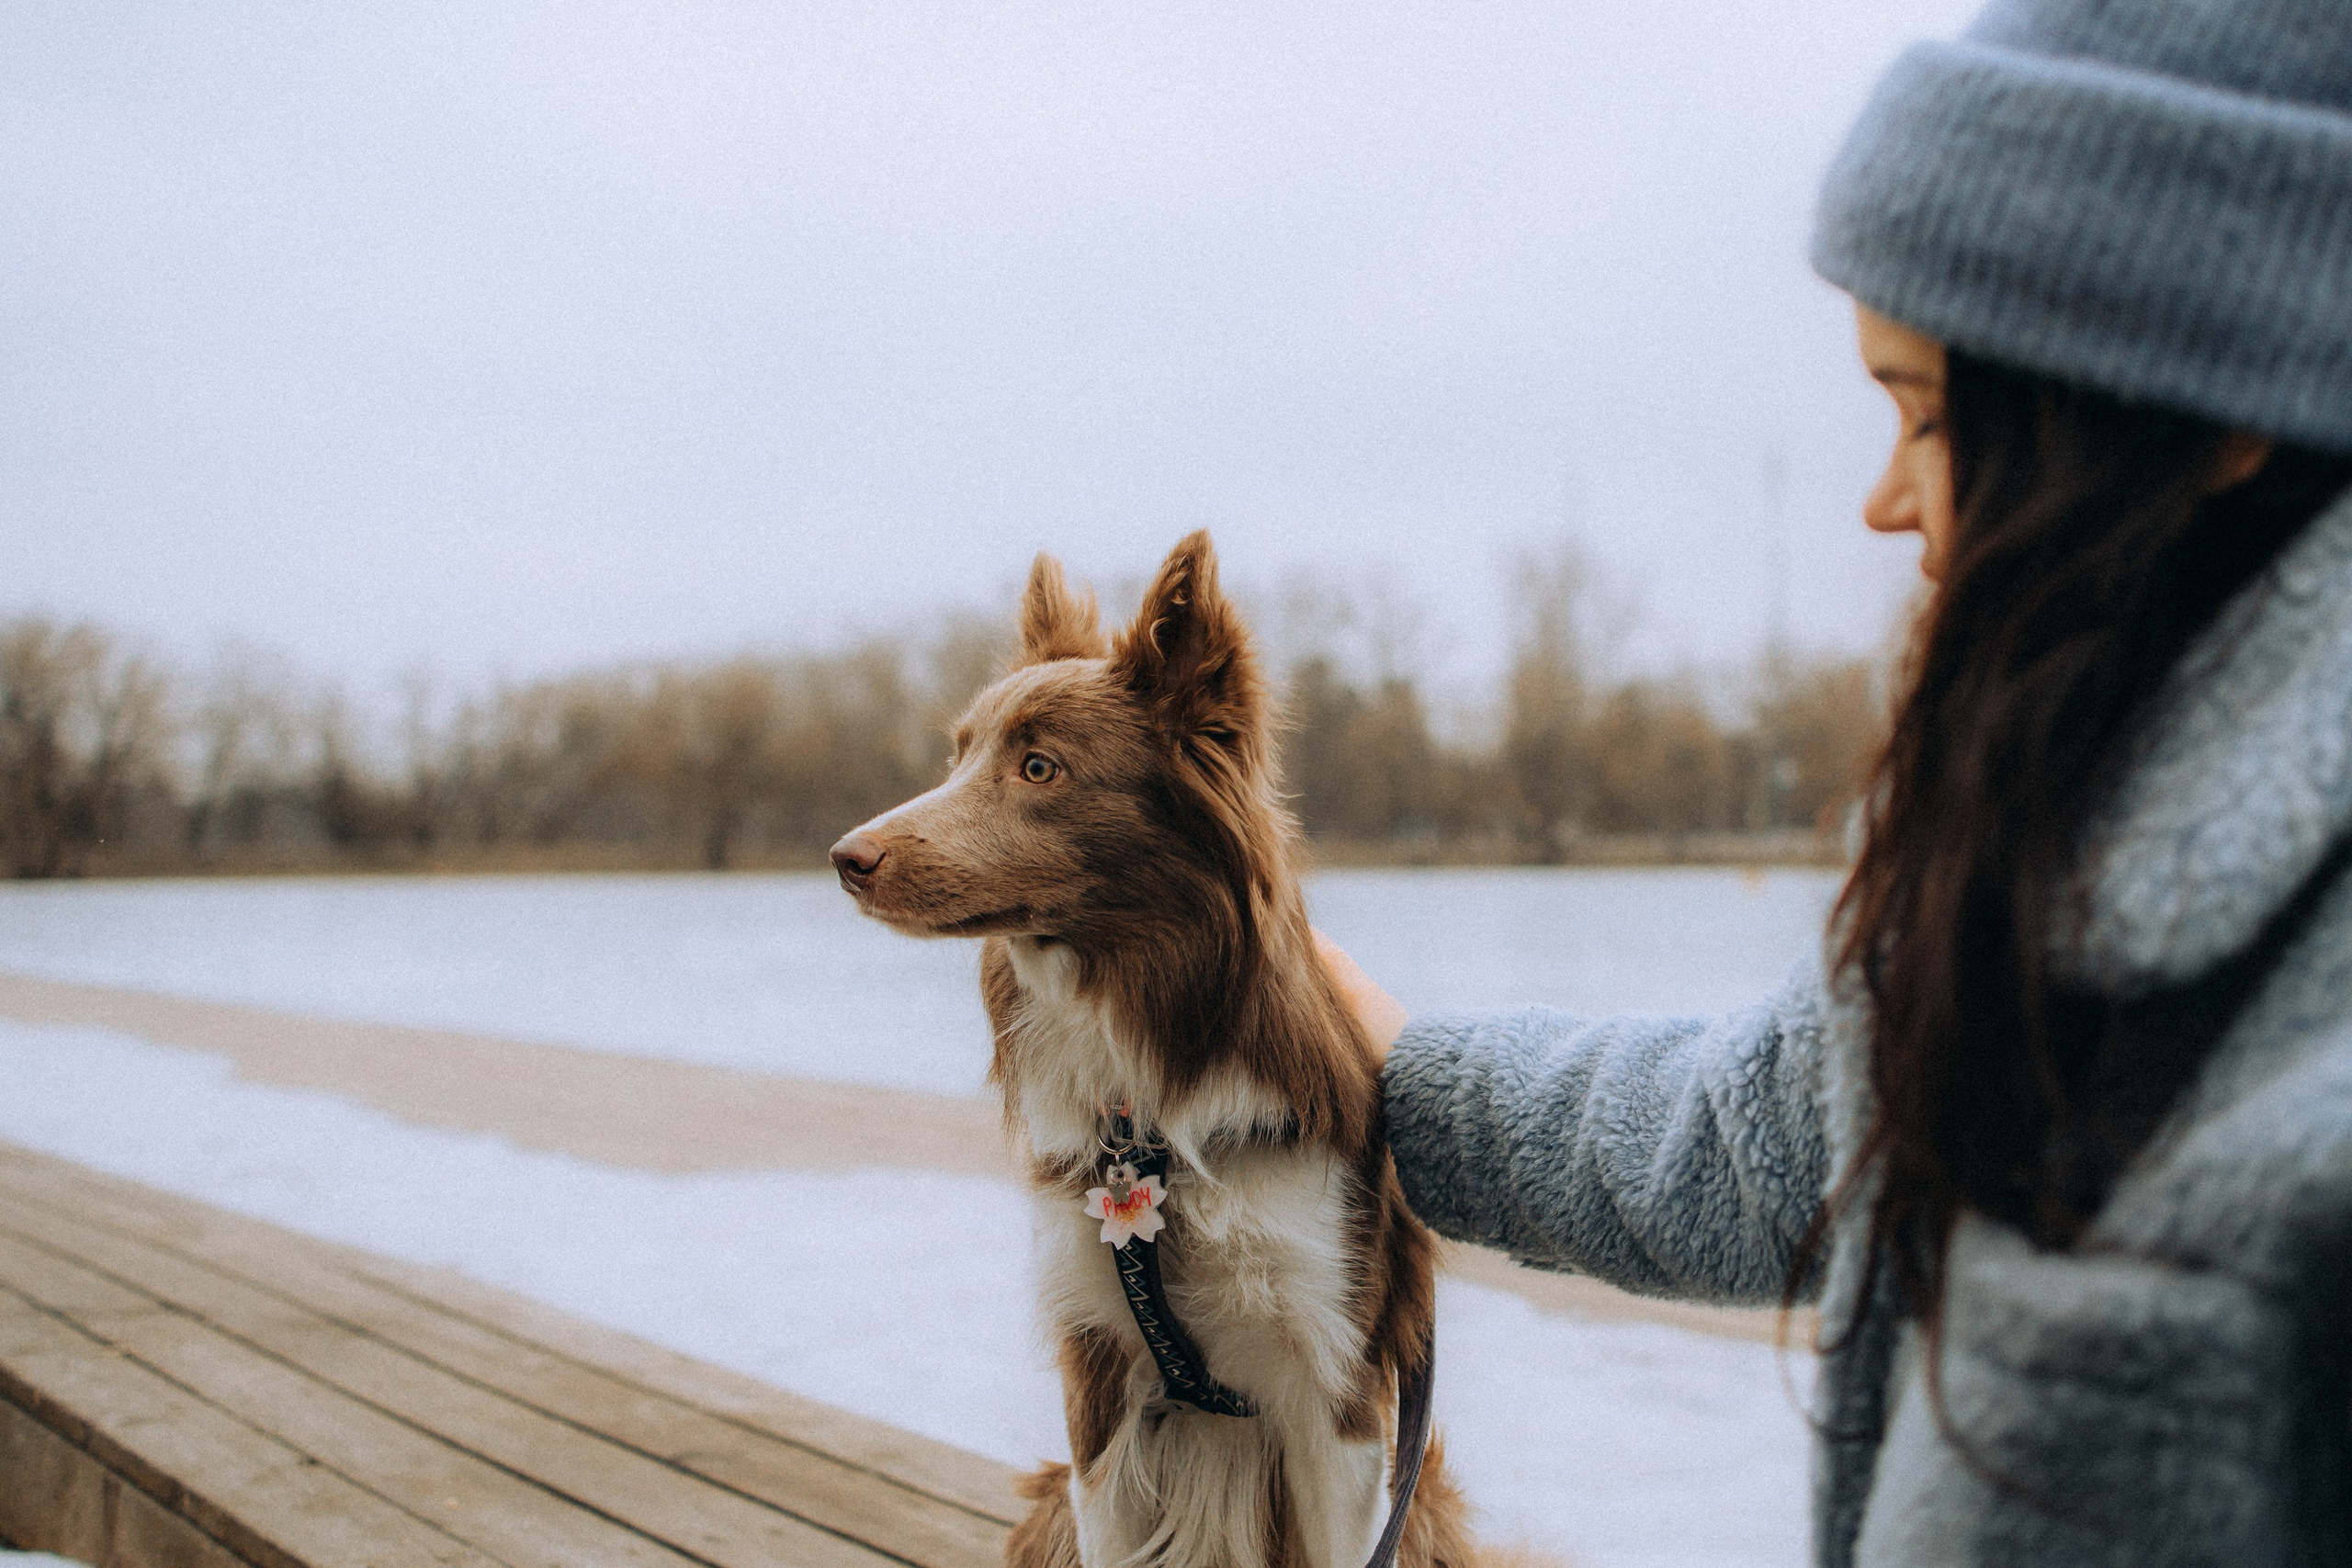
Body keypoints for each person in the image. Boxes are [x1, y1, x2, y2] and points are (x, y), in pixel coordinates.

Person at [1319, 2, 2352, 1563]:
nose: (1881, 500)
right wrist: (1387, 1064)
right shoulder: (2054, 821)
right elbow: (1757, 1144)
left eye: (1928, 415)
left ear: (2219, 422)